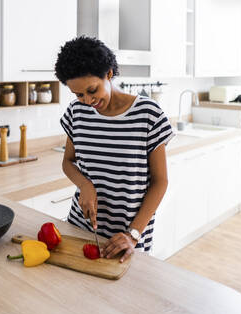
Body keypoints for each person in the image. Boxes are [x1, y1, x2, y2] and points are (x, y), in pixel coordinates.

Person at [54, 36, 174, 262]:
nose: (87, 100)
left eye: (92, 90)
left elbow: (160, 182)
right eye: (79, 94)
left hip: (127, 238)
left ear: (108, 73)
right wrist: (85, 184)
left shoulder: (148, 114)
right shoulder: (76, 112)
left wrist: (133, 234)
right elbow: (68, 162)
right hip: (81, 228)